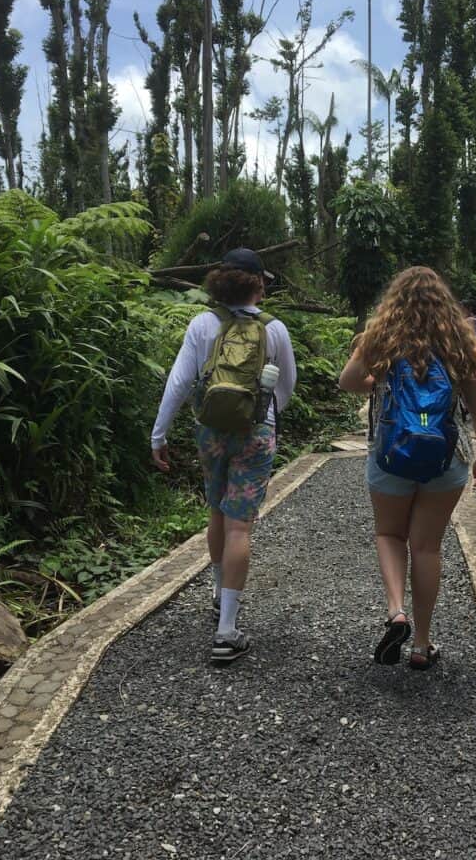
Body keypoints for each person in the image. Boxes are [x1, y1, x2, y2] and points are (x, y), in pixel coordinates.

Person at [339, 267, 476, 670]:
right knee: (427, 547)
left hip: (392, 451)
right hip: (446, 455)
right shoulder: (459, 339)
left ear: (396, 299)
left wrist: (377, 379)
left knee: (389, 533)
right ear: (443, 301)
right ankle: (422, 645)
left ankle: (396, 613)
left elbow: (348, 382)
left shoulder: (381, 337)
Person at [151, 247, 297, 662]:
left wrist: (158, 435)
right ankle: (227, 630)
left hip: (210, 432)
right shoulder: (275, 329)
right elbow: (287, 385)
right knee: (239, 528)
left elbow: (179, 382)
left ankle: (218, 592)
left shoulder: (202, 323)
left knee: (216, 513)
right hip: (256, 433)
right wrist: (265, 418)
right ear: (258, 285)